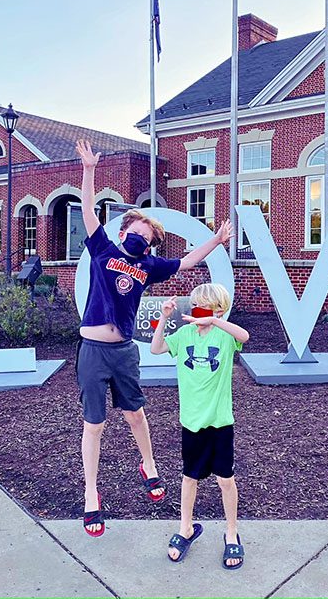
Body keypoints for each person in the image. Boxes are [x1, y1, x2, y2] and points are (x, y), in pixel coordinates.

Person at [75, 139, 234, 537]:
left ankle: (149, 465)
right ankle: (92, 495)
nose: (140, 239)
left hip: (125, 351)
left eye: (147, 236)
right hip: (93, 350)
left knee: (135, 414)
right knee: (94, 425)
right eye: (136, 230)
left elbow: (186, 261)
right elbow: (89, 211)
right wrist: (90, 170)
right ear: (124, 229)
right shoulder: (101, 249)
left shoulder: (149, 266)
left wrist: (215, 241)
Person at [151, 283, 249, 569]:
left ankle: (231, 533)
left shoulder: (225, 335)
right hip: (192, 422)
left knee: (225, 480)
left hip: (220, 421)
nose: (196, 309)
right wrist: (165, 317)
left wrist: (215, 321)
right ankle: (186, 528)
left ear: (217, 308)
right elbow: (157, 348)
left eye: (202, 305)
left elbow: (244, 335)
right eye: (194, 304)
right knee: (189, 477)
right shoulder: (184, 335)